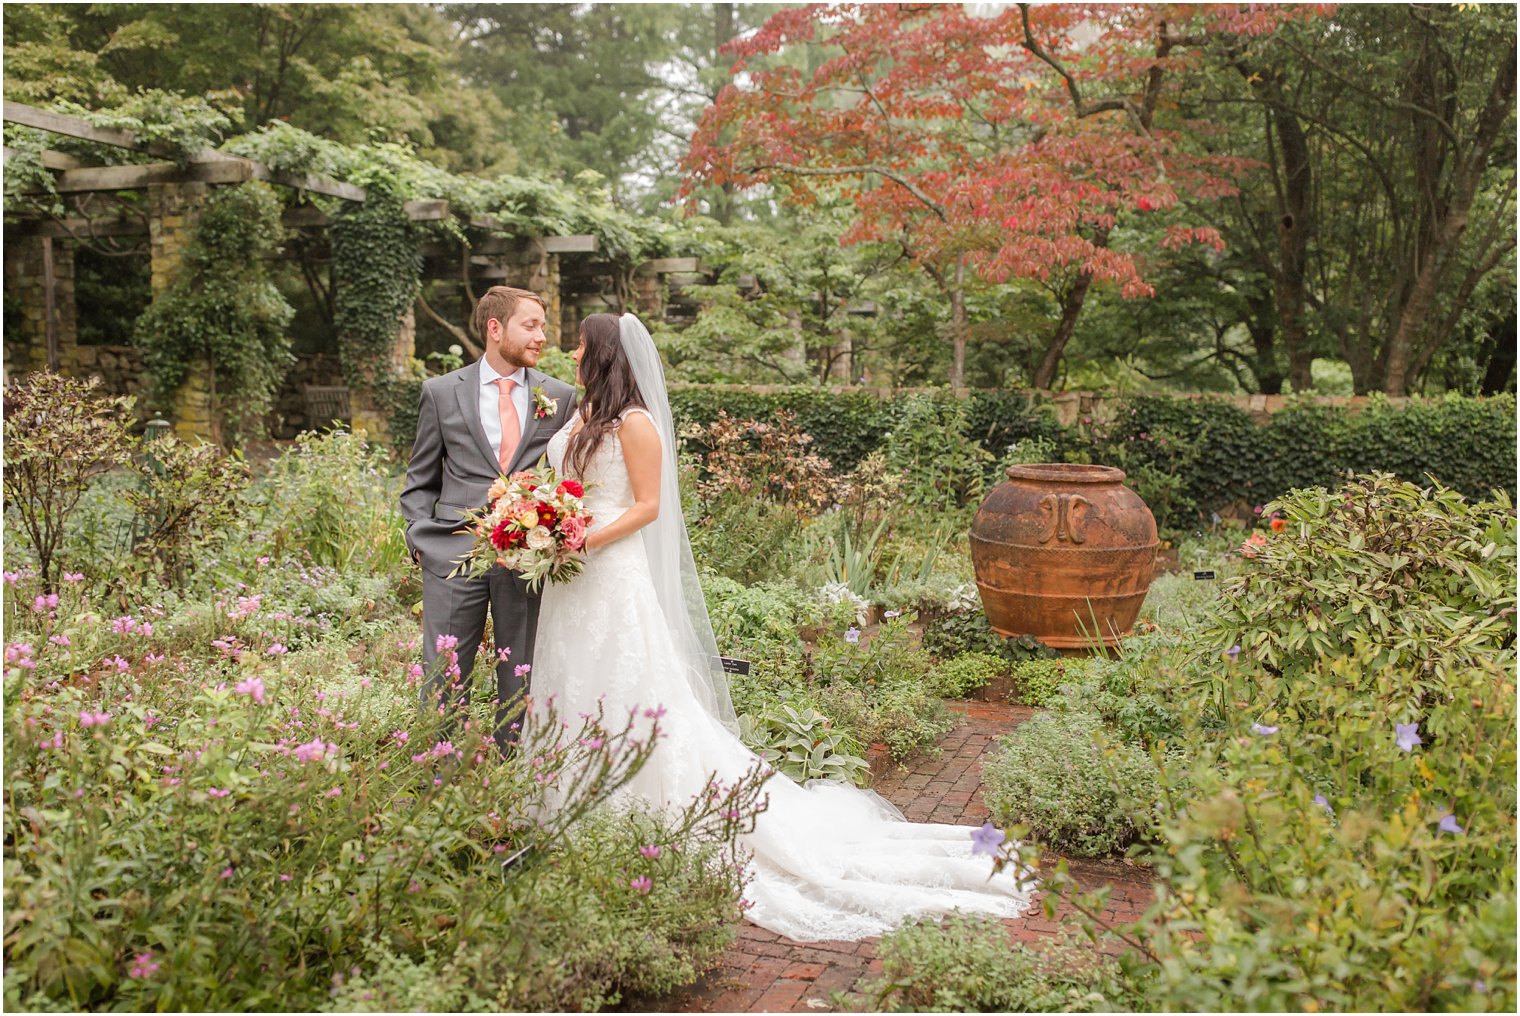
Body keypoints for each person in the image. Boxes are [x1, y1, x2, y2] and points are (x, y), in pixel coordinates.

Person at [531, 312, 1033, 942]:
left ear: (601, 354)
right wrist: (539, 523)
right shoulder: (576, 419)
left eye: (579, 344)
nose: (570, 352)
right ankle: (573, 813)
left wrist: (582, 537)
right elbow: (560, 488)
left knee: (629, 690)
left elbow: (649, 506)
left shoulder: (635, 424)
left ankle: (641, 815)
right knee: (574, 686)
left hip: (610, 573)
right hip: (569, 581)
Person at [399, 286, 578, 755]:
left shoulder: (559, 397)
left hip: (526, 555)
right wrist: (420, 538)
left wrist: (554, 536)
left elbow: (568, 478)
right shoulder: (440, 392)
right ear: (495, 329)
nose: (543, 336)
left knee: (521, 668)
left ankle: (513, 770)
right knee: (445, 668)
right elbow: (420, 476)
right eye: (531, 325)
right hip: (451, 554)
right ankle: (440, 769)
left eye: (543, 325)